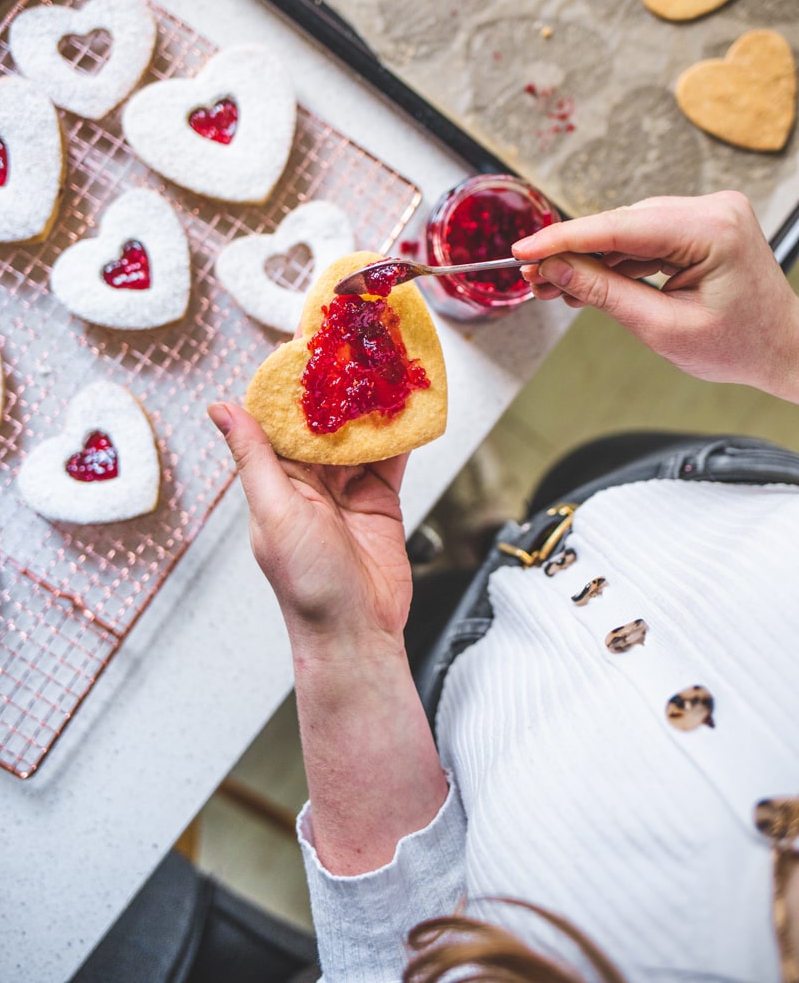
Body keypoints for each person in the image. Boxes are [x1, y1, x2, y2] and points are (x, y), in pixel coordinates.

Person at [208, 190, 799, 983]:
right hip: (655, 495)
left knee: (440, 609)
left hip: (446, 695)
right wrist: (785, 351)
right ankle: (493, 533)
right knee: (571, 476)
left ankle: (473, 545)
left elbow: (398, 954)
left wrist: (345, 642)